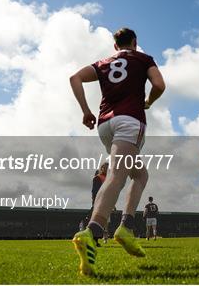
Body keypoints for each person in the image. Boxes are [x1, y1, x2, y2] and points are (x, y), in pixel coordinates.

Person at [70, 27, 166, 276]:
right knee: (117, 175)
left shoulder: (103, 63)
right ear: (135, 42)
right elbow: (159, 84)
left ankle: (126, 226)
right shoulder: (143, 59)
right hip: (129, 121)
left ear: (115, 46)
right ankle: (92, 231)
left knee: (140, 175)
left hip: (105, 124)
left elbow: (75, 78)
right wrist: (150, 101)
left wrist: (85, 111)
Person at [90, 163, 109, 246]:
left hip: (106, 202)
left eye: (108, 168)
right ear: (101, 168)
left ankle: (96, 239)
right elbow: (94, 191)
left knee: (103, 222)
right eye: (105, 167)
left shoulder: (108, 179)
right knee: (97, 221)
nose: (106, 169)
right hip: (99, 202)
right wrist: (95, 203)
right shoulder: (97, 178)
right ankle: (95, 240)